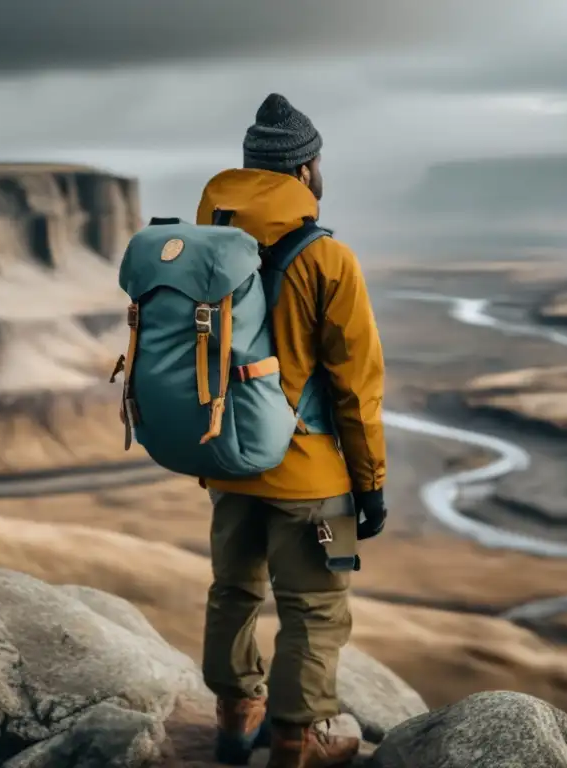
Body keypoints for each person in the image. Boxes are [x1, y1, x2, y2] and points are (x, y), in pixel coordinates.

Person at [195, 93, 388, 768]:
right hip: (316, 486)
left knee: (234, 590)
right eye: (318, 161)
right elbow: (357, 389)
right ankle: (294, 743)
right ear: (304, 171)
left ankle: (232, 718)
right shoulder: (327, 260)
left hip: (230, 463)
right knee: (317, 606)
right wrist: (371, 488)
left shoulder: (209, 248)